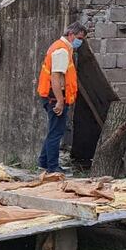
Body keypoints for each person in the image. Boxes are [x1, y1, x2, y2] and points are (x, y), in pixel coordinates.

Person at [36, 21, 86, 173]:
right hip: (55, 97)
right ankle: (52, 167)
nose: (80, 41)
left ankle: (43, 163)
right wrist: (59, 101)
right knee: (56, 133)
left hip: (51, 96)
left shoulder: (60, 47)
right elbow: (55, 78)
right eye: (79, 38)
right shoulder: (62, 51)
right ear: (71, 35)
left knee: (53, 130)